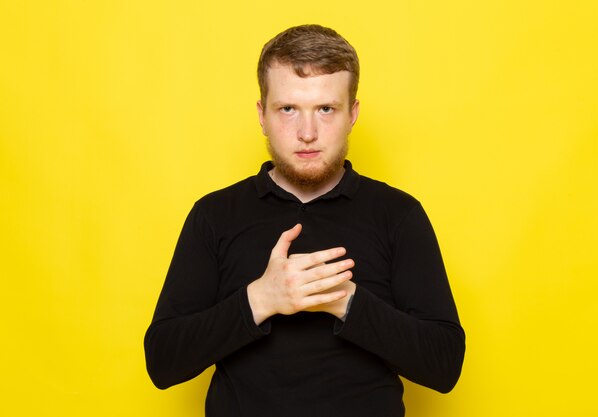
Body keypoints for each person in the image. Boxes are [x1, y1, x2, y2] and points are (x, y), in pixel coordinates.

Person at [144, 24, 465, 417]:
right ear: (262, 115)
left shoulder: (399, 215)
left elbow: (444, 365)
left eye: (326, 109)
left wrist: (345, 301)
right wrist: (262, 299)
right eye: (288, 109)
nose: (307, 133)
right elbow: (163, 361)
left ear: (353, 115)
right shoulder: (214, 215)